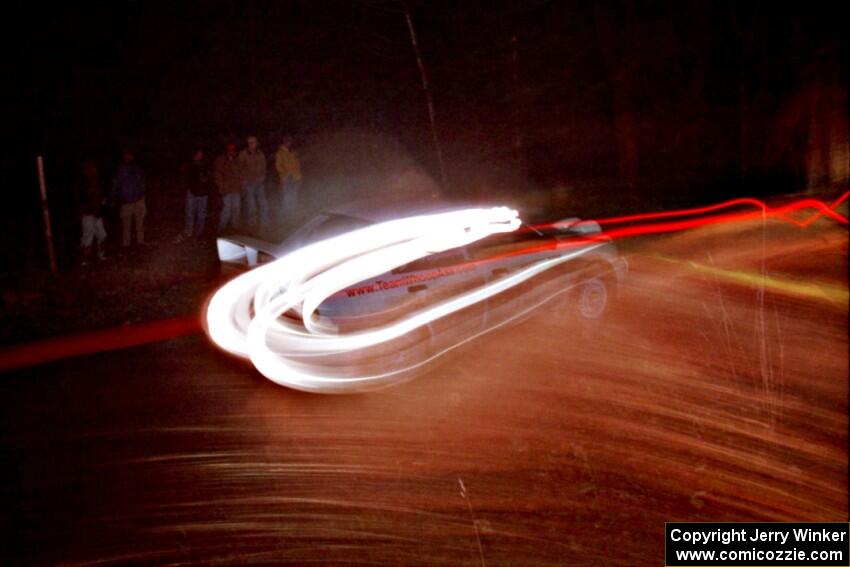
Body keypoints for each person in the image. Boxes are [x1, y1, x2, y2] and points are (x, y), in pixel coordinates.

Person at [111, 150, 146, 248]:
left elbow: (143, 183)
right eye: (126, 156)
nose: (128, 157)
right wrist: (115, 199)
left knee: (139, 223)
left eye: (129, 155)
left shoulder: (137, 169)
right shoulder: (120, 170)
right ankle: (126, 244)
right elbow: (115, 185)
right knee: (127, 225)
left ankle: (140, 242)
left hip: (137, 200)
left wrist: (141, 195)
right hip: (126, 202)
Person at [178, 149, 212, 240]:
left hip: (203, 193)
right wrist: (186, 187)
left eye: (201, 154)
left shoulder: (205, 164)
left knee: (202, 214)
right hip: (192, 192)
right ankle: (189, 231)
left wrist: (207, 184)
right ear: (194, 154)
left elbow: (209, 177)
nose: (199, 155)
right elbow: (183, 177)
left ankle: (199, 232)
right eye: (198, 153)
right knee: (190, 213)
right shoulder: (188, 164)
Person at [78, 161, 107, 265]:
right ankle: (84, 260)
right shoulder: (82, 183)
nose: (94, 170)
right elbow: (81, 200)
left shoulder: (97, 182)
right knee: (88, 238)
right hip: (88, 214)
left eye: (95, 169)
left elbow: (102, 199)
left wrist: (102, 206)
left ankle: (101, 254)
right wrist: (86, 211)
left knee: (102, 235)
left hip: (97, 214)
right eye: (92, 169)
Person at [239, 136, 269, 229]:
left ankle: (265, 223)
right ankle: (252, 225)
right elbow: (239, 168)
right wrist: (244, 180)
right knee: (251, 206)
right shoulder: (243, 154)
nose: (252, 144)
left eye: (253, 142)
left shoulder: (260, 153)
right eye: (250, 143)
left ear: (257, 143)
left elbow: (264, 166)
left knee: (264, 204)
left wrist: (263, 176)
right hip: (249, 183)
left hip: (259, 183)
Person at [214, 143, 243, 232]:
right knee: (226, 210)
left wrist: (240, 187)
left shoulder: (238, 160)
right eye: (230, 150)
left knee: (236, 210)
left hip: (236, 190)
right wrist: (221, 187)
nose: (231, 152)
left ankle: (235, 228)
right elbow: (217, 175)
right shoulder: (221, 160)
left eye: (233, 150)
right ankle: (221, 228)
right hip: (226, 190)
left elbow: (241, 174)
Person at [275, 134, 302, 217]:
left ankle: (294, 214)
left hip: (296, 178)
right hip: (286, 179)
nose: (288, 143)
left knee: (294, 196)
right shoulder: (280, 153)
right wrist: (286, 174)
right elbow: (278, 166)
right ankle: (286, 215)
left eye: (290, 141)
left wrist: (299, 176)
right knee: (287, 197)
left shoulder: (294, 152)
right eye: (287, 141)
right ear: (284, 142)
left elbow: (298, 164)